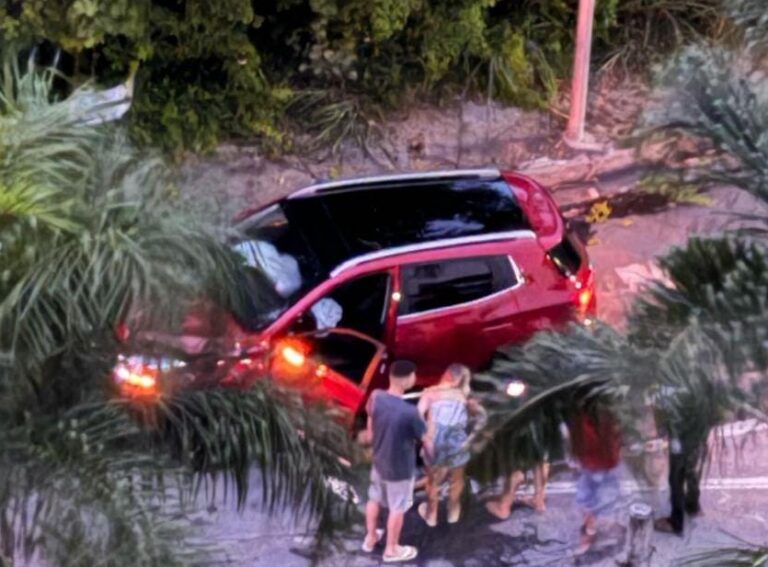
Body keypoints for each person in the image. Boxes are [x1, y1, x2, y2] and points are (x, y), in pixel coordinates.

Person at [362, 360, 431, 563]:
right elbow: (425, 440)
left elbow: (370, 419)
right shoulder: (410, 413)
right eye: (414, 375)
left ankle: (370, 537)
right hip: (399, 469)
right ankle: (391, 550)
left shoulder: (376, 396)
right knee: (397, 508)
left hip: (378, 461)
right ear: (408, 379)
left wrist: (374, 441)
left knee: (374, 499)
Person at [416, 364, 486, 526]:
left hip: (435, 443)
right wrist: (473, 436)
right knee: (457, 479)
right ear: (459, 380)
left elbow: (417, 417)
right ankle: (453, 512)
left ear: (446, 374)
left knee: (433, 481)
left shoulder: (430, 393)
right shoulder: (463, 396)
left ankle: (431, 515)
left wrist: (425, 436)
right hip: (458, 442)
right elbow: (482, 417)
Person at [568, 405, 622, 556]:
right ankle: (594, 532)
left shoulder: (594, 412)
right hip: (596, 462)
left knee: (593, 500)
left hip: (599, 462)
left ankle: (593, 533)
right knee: (591, 499)